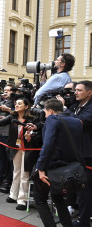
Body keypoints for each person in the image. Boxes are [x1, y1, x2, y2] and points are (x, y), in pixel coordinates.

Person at [33, 99, 84, 227]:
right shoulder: (77, 121)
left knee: (40, 199)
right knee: (58, 198)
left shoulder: (52, 119)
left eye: (45, 112)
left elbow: (48, 144)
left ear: (50, 111)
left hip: (52, 166)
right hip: (70, 166)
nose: (44, 115)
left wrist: (40, 168)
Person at [0, 98, 35, 210]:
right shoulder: (12, 117)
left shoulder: (31, 118)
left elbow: (36, 131)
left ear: (26, 106)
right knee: (16, 171)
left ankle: (22, 199)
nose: (17, 105)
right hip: (15, 147)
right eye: (16, 103)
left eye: (20, 103)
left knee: (25, 173)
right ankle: (13, 195)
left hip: (27, 149)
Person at [61, 80, 92, 226]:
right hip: (75, 152)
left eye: (79, 90)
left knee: (85, 188)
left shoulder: (90, 108)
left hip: (87, 155)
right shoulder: (76, 106)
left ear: (89, 92)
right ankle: (75, 209)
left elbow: (79, 121)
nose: (75, 92)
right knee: (76, 186)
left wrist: (64, 108)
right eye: (76, 90)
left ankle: (84, 220)